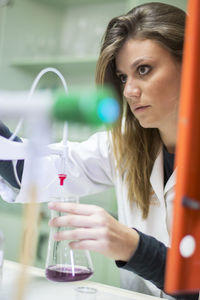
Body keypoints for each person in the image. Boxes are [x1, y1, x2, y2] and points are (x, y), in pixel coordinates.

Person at [0, 2, 198, 300]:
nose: (129, 90)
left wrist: (135, 248)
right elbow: (25, 171)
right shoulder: (124, 143)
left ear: (191, 66)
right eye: (122, 77)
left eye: (143, 70)